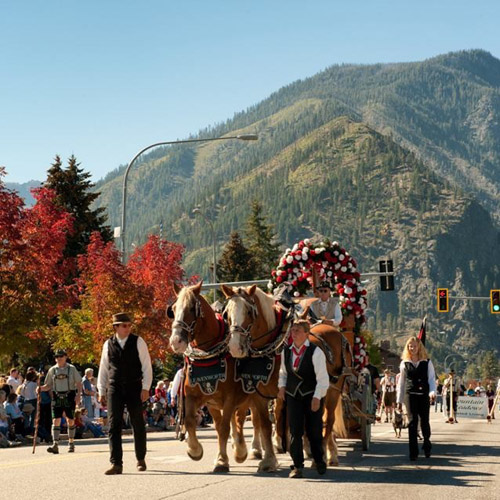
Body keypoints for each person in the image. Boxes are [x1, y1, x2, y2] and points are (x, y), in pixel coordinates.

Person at [97, 312, 152, 475]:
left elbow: (147, 366)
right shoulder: (108, 344)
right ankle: (116, 464)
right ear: (116, 327)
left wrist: (146, 387)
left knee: (137, 422)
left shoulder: (138, 341)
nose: (127, 328)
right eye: (124, 325)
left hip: (134, 386)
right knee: (114, 425)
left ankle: (140, 458)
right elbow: (103, 368)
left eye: (129, 325)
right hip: (114, 387)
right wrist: (101, 390)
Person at [278, 319, 329, 478]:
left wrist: (317, 397)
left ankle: (319, 460)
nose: (294, 333)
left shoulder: (315, 352)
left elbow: (323, 379)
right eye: (292, 330)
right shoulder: (286, 351)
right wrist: (281, 387)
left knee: (314, 431)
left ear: (307, 334)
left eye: (297, 330)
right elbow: (283, 373)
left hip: (311, 395)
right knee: (295, 431)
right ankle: (297, 466)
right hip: (293, 395)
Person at [396, 336, 436, 461]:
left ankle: (427, 444)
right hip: (410, 395)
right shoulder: (404, 363)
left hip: (423, 395)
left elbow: (431, 379)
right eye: (410, 346)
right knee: (412, 422)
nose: (412, 348)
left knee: (424, 421)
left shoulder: (427, 362)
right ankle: (413, 452)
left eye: (414, 346)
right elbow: (401, 383)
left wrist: (432, 392)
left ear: (419, 347)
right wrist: (399, 400)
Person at [38, 350, 82, 453]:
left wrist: (78, 395)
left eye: (61, 356)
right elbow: (48, 385)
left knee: (70, 420)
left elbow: (79, 383)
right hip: (56, 396)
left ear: (66, 357)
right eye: (57, 357)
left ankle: (71, 443)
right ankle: (55, 444)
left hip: (69, 395)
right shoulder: (52, 370)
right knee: (55, 420)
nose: (59, 358)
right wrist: (40, 388)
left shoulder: (71, 369)